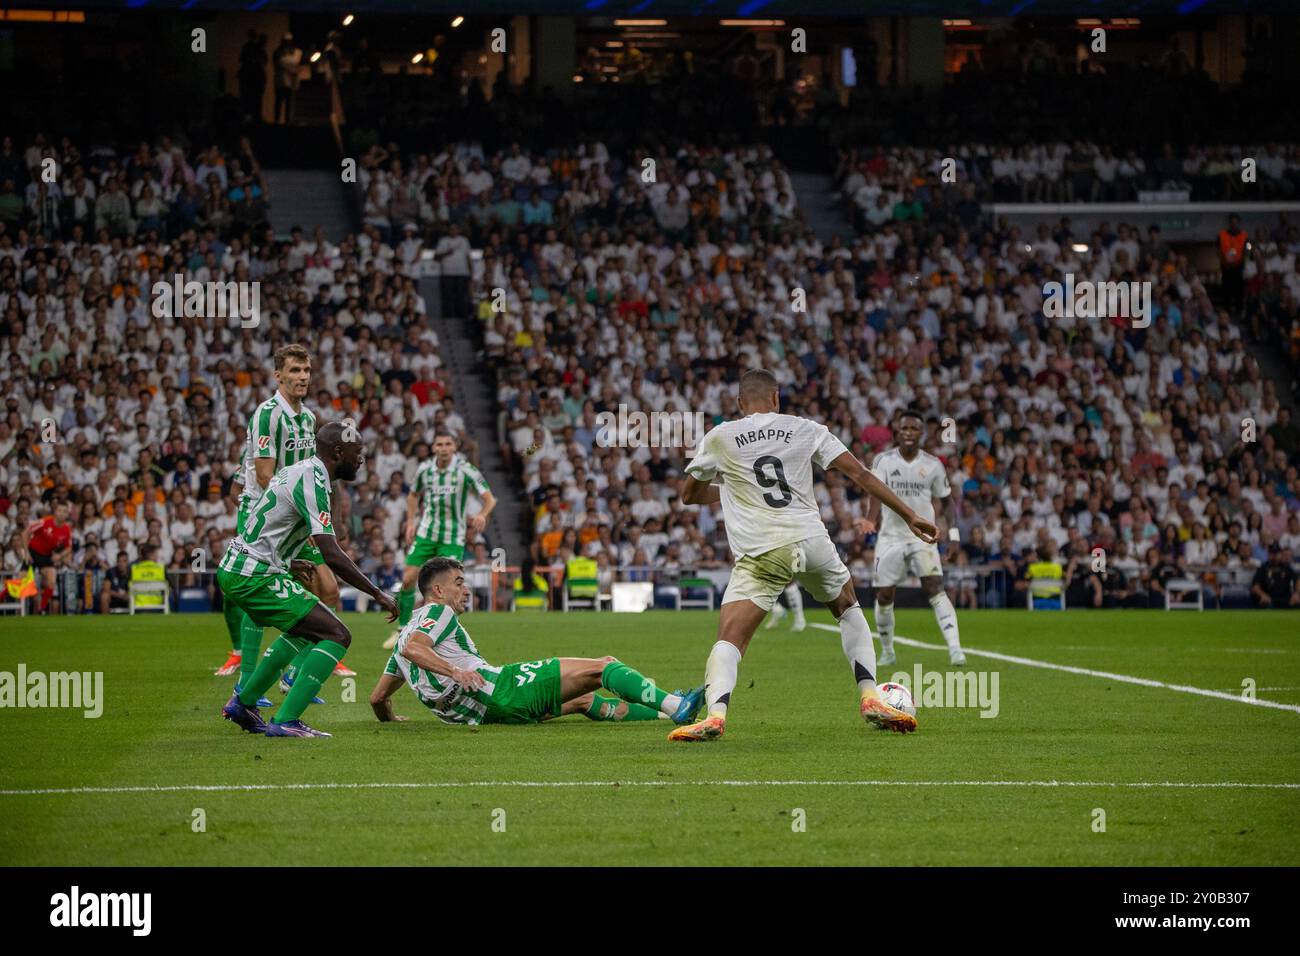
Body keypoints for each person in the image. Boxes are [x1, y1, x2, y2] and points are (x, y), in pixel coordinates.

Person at [670, 369, 938, 743]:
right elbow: (860, 474)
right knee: (847, 606)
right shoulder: (805, 428)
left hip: (765, 550)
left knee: (729, 639)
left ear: (738, 404)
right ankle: (869, 694)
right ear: (776, 398)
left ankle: (715, 715)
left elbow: (690, 495)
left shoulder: (720, 437)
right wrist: (910, 514)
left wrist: (733, 486)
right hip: (812, 541)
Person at [220, 421, 399, 738]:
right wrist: (377, 593)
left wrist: (287, 559)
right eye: (358, 453)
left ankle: (243, 703)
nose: (361, 461)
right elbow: (331, 552)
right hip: (254, 575)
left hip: (247, 567)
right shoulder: (313, 478)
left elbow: (271, 523)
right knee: (337, 634)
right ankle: (286, 720)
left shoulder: (301, 470)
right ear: (339, 451)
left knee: (305, 630)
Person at [370, 557, 704, 725]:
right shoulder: (437, 614)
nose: (466, 590)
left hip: (488, 716)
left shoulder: (402, 641)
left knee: (584, 699)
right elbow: (417, 647)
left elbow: (377, 698)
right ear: (438, 591)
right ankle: (677, 708)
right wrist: (455, 672)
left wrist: (392, 720)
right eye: (459, 583)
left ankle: (659, 710)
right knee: (604, 666)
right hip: (501, 689)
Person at [862, 409, 967, 666]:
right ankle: (887, 651)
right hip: (890, 538)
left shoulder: (933, 464)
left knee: (935, 588)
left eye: (914, 429)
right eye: (904, 429)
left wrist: (953, 536)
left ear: (922, 433)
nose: (908, 433)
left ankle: (955, 649)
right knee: (884, 595)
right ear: (897, 432)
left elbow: (947, 502)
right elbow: (876, 493)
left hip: (923, 537)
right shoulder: (883, 461)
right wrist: (869, 518)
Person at [26, 500, 72, 614]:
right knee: (20, 581)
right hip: (32, 553)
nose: (62, 513)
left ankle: (42, 609)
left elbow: (69, 547)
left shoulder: (66, 529)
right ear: (55, 512)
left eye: (64, 511)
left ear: (67, 514)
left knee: (52, 581)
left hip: (46, 556)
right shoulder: (44, 522)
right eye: (59, 510)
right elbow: (25, 533)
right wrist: (26, 553)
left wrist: (60, 556)